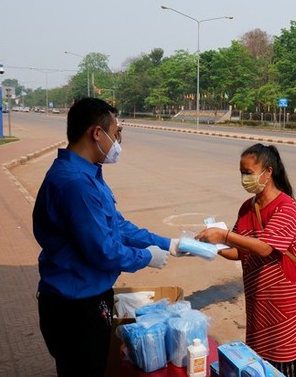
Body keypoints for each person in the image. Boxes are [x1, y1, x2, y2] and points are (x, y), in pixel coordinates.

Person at [32, 97, 183, 376]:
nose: (119, 142)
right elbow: (102, 250)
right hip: (75, 308)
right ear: (96, 133)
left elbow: (118, 227)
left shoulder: (87, 174)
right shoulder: (75, 183)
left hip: (84, 298)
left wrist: (168, 244)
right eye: (116, 134)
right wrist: (146, 257)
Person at [196, 143, 296, 376]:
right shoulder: (246, 207)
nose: (244, 179)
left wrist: (223, 235)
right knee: (260, 364)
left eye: (248, 173)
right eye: (241, 173)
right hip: (258, 303)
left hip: (286, 305)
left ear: (268, 172)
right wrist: (212, 247)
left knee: (287, 363)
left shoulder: (286, 207)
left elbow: (263, 248)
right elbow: (238, 250)